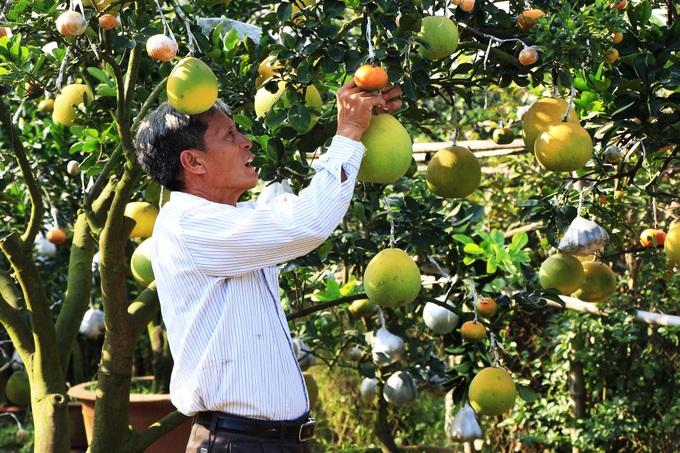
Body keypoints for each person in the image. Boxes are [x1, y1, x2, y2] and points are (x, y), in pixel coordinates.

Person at [134, 78, 402, 452]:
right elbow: (307, 222)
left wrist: (351, 113)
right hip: (238, 443)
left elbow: (283, 208)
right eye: (229, 136)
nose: (246, 141)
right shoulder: (189, 225)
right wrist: (349, 131)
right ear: (193, 162)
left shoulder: (234, 220)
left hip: (269, 442)